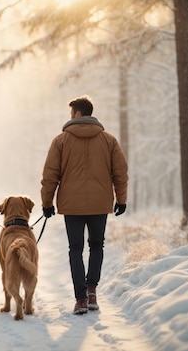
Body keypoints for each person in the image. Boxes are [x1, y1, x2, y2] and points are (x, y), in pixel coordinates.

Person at [40, 96, 128, 315]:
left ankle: (80, 299)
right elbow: (120, 173)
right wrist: (122, 199)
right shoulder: (109, 140)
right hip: (100, 204)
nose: (70, 117)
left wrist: (47, 203)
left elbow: (50, 175)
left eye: (71, 113)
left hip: (72, 206)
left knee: (75, 249)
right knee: (97, 246)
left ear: (78, 114)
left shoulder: (61, 141)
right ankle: (91, 292)